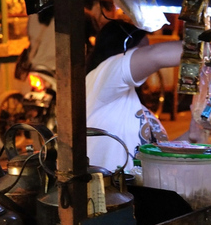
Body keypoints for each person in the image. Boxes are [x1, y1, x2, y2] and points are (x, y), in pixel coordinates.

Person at [85, 20, 204, 171]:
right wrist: (207, 50)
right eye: (141, 50)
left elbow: (155, 155)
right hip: (109, 191)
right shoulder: (103, 76)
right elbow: (156, 55)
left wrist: (190, 136)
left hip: (137, 192)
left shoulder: (133, 103)